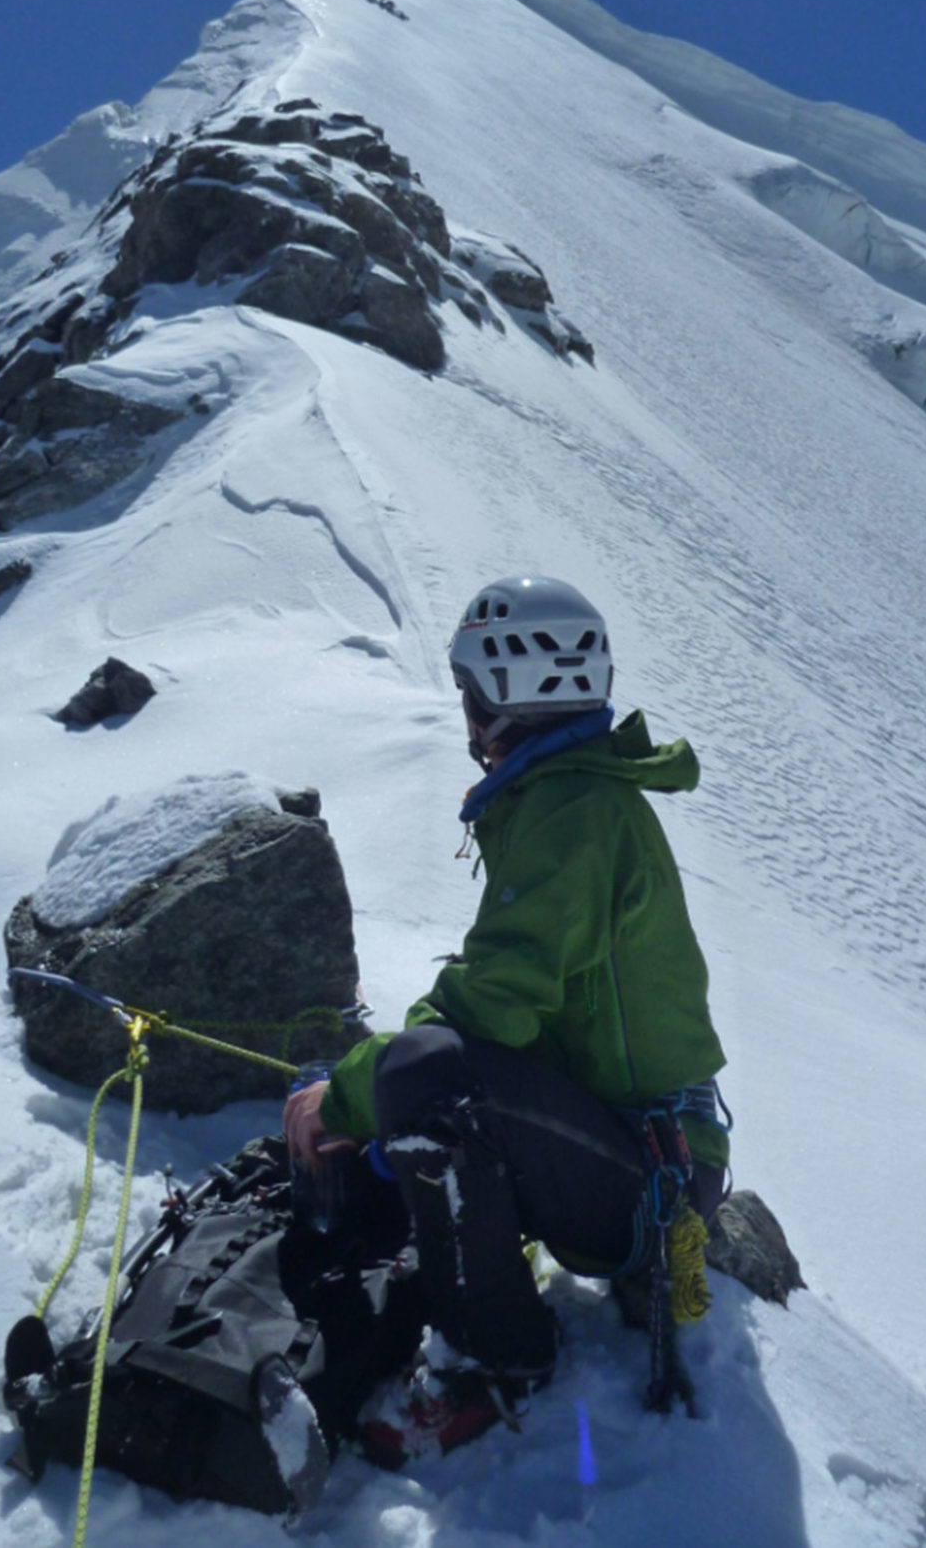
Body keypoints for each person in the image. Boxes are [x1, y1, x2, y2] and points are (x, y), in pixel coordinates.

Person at [283, 575, 729, 1465]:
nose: (465, 710)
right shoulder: (568, 798)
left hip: (647, 1177)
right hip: (643, 1149)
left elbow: (492, 1005)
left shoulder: (575, 815)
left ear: (510, 694)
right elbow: (499, 1004)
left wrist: (360, 1093)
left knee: (432, 1084)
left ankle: (499, 1357)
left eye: (471, 691)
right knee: (421, 1074)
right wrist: (380, 1081)